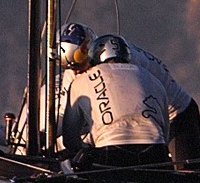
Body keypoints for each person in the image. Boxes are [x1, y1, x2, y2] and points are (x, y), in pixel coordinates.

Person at [58, 23, 200, 167]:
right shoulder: (78, 68)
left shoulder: (131, 64)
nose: (75, 71)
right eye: (66, 65)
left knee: (186, 174)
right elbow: (65, 114)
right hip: (150, 127)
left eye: (79, 58)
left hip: (179, 115)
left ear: (90, 49)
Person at [61, 34, 171, 167]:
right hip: (156, 151)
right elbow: (165, 130)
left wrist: (85, 150)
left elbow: (70, 138)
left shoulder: (81, 80)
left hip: (110, 151)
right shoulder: (153, 79)